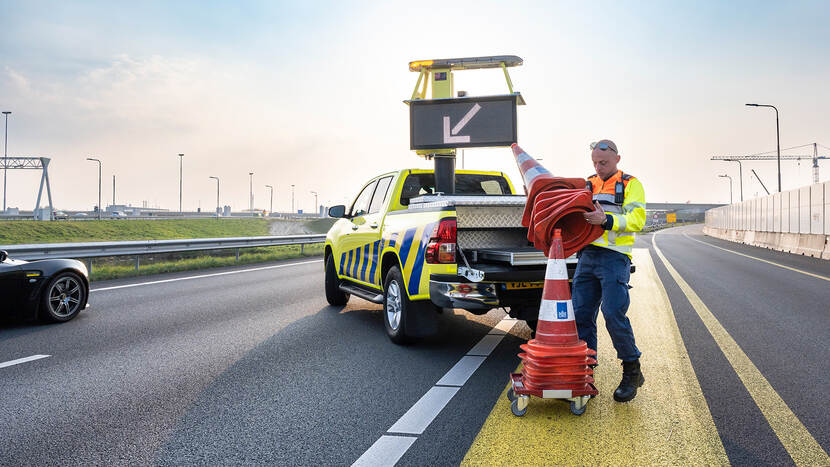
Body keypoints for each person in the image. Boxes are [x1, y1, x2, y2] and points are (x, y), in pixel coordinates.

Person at [574, 139, 647, 402]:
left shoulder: (630, 184)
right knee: (581, 315)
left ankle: (631, 370)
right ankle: (585, 373)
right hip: (587, 256)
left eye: (603, 162)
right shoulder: (587, 183)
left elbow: (638, 220)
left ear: (617, 159)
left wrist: (606, 220)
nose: (598, 166)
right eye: (594, 162)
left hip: (615, 257)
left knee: (613, 313)